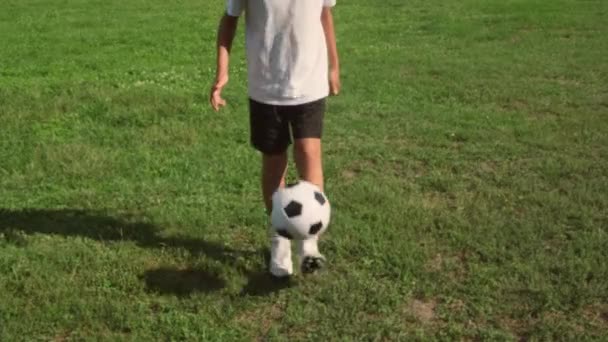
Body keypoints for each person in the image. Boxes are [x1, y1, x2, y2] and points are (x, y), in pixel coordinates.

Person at [210, 0, 340, 277]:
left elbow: (324, 13)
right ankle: (279, 237)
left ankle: (309, 242)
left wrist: (333, 66)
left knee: (309, 151)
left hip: (310, 81)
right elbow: (229, 20)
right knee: (274, 161)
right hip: (266, 86)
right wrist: (222, 71)